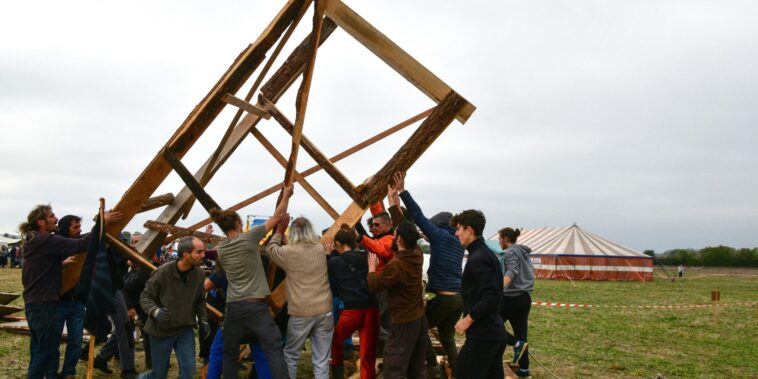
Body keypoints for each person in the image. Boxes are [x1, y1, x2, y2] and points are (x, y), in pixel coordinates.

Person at [19, 203, 121, 379]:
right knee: (46, 351)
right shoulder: (46, 240)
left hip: (33, 304)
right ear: (41, 222)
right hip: (45, 305)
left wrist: (58, 265)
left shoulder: (33, 240)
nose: (56, 219)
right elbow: (84, 244)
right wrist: (102, 222)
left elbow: (33, 272)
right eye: (51, 216)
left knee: (38, 349)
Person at [211, 185, 293, 379]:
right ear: (239, 223)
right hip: (256, 306)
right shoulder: (249, 238)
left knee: (229, 355)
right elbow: (277, 216)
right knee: (274, 350)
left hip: (233, 308)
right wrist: (286, 196)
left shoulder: (221, 249)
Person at [390, 171, 464, 376]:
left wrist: (402, 192)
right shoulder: (457, 242)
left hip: (445, 298)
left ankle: (432, 366)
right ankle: (456, 372)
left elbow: (419, 216)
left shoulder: (439, 236)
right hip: (459, 299)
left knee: (419, 328)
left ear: (438, 226)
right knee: (447, 336)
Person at [266, 216, 334, 379]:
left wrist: (279, 233)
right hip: (325, 310)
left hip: (301, 312)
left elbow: (270, 250)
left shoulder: (288, 253)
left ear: (293, 233)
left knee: (290, 356)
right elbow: (303, 252)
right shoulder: (319, 248)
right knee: (321, 359)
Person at [138, 236, 210, 379]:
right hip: (160, 331)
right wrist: (155, 311)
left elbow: (200, 300)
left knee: (188, 372)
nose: (204, 255)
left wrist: (203, 319)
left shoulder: (199, 274)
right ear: (186, 255)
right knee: (158, 375)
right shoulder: (163, 272)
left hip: (184, 329)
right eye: (199, 252)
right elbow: (145, 297)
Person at [367, 220, 426, 378]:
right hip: (418, 318)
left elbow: (375, 286)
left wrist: (371, 269)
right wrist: (394, 204)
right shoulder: (417, 253)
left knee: (394, 365)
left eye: (394, 235)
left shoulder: (397, 265)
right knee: (416, 365)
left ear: (399, 239)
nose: (392, 238)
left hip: (403, 321)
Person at [451, 210, 506, 379]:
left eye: (459, 228)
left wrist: (467, 320)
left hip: (484, 335)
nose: (456, 233)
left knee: (462, 373)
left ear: (469, 230)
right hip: (492, 333)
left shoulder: (479, 258)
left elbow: (491, 295)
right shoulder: (484, 253)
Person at [328, 224, 379, 379]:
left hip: (351, 311)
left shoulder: (334, 262)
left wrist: (327, 254)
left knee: (336, 341)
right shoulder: (366, 256)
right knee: (368, 353)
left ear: (337, 244)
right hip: (372, 309)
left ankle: (338, 374)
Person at [49, 215, 87, 379]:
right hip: (58, 302)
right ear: (65, 228)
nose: (79, 231)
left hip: (77, 302)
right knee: (53, 341)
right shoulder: (54, 245)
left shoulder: (81, 245)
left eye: (80, 227)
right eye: (75, 227)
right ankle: (51, 373)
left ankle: (69, 372)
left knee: (76, 341)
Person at [498, 227, 535, 378]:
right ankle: (524, 369)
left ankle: (515, 344)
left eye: (500, 238)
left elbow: (512, 270)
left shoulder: (510, 252)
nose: (499, 241)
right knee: (521, 333)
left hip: (512, 298)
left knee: (491, 324)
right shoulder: (523, 252)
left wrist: (498, 288)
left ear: (506, 239)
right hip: (525, 297)